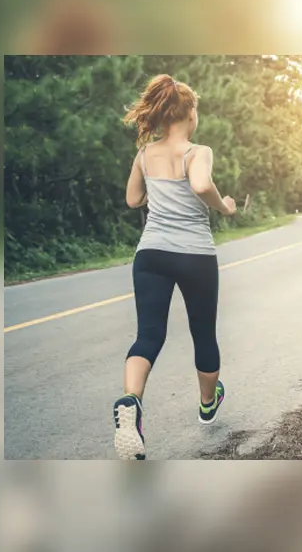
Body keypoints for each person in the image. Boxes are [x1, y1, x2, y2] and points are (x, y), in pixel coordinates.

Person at [113, 74, 237, 460]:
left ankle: (131, 401)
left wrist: (158, 186)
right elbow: (201, 186)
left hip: (151, 254)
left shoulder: (144, 154)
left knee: (148, 335)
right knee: (204, 334)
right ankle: (206, 404)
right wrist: (225, 207)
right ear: (190, 114)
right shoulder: (198, 151)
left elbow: (133, 200)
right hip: (195, 255)